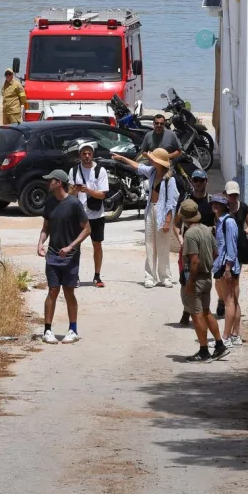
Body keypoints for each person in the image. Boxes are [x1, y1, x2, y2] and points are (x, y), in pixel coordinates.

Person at [36, 169, 90, 344]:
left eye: (50, 180)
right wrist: (40, 243)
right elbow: (46, 228)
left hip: (70, 256)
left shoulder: (74, 204)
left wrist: (70, 246)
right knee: (52, 290)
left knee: (68, 292)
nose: (47, 183)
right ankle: (47, 330)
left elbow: (87, 229)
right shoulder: (50, 203)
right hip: (52, 255)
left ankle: (73, 329)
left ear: (58, 183)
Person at [112, 147, 177, 288]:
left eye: (153, 159)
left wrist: (167, 221)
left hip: (163, 213)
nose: (151, 161)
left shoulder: (169, 179)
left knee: (163, 245)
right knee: (150, 244)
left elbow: (171, 203)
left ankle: (165, 277)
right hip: (150, 210)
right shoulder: (153, 171)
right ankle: (150, 276)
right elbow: (137, 166)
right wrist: (122, 158)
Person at [178, 199, 227, 362]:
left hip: (196, 279)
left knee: (197, 314)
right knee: (206, 312)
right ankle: (219, 345)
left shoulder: (190, 234)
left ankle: (204, 350)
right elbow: (215, 252)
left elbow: (194, 261)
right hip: (207, 277)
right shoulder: (207, 230)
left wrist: (190, 283)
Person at [174, 170, 214, 325]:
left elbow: (218, 223)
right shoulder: (186, 201)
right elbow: (176, 225)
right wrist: (181, 239)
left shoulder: (212, 202)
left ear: (206, 181)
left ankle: (201, 311)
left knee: (203, 279)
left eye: (201, 180)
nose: (198, 183)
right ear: (192, 181)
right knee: (185, 280)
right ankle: (187, 309)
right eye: (195, 180)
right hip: (187, 248)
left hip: (205, 248)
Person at [71, 140, 108, 287]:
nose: (87, 156)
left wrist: (88, 190)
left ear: (92, 154)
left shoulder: (100, 171)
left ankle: (97, 276)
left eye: (89, 153)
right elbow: (69, 194)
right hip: (79, 215)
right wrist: (74, 190)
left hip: (96, 214)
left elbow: (102, 195)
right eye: (84, 153)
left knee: (97, 245)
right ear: (80, 155)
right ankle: (75, 276)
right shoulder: (73, 171)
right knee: (75, 246)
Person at [218, 180, 248, 317]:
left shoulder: (243, 207)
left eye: (235, 195)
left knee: (235, 277)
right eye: (231, 195)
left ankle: (233, 304)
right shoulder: (222, 207)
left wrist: (243, 233)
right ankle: (222, 299)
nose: (233, 198)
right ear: (225, 194)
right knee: (220, 277)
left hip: (237, 247)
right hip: (223, 247)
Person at [210, 193, 243, 347]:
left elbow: (231, 247)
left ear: (224, 205)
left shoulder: (228, 222)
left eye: (218, 203)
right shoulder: (222, 221)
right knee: (234, 301)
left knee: (229, 301)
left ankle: (226, 337)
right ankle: (235, 335)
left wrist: (228, 268)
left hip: (227, 266)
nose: (214, 206)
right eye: (213, 203)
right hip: (227, 265)